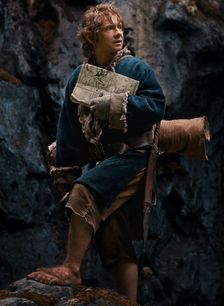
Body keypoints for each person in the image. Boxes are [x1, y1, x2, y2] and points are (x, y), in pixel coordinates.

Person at [27, 3, 165, 303]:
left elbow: (156, 105)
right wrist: (63, 162)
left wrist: (119, 106)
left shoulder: (136, 69)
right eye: (109, 28)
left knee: (84, 191)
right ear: (91, 36)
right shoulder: (81, 76)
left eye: (119, 27)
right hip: (104, 160)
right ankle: (129, 301)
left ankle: (71, 269)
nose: (118, 33)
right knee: (115, 233)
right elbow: (70, 127)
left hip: (134, 157)